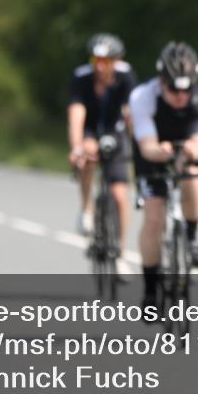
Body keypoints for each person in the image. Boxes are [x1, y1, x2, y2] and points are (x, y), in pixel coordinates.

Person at [130, 42, 198, 313]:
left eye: (186, 89)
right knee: (154, 217)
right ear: (161, 81)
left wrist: (191, 150)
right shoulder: (143, 96)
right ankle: (151, 288)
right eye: (174, 89)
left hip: (185, 148)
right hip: (152, 152)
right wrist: (162, 152)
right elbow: (147, 146)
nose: (181, 95)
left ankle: (190, 238)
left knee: (192, 172)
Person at [68, 34, 137, 254]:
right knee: (87, 154)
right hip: (90, 131)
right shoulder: (81, 78)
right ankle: (86, 207)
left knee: (119, 195)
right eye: (95, 61)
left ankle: (121, 251)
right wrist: (77, 147)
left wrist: (138, 143)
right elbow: (76, 115)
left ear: (117, 60)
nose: (99, 67)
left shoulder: (126, 76)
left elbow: (130, 113)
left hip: (114, 132)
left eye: (105, 61)